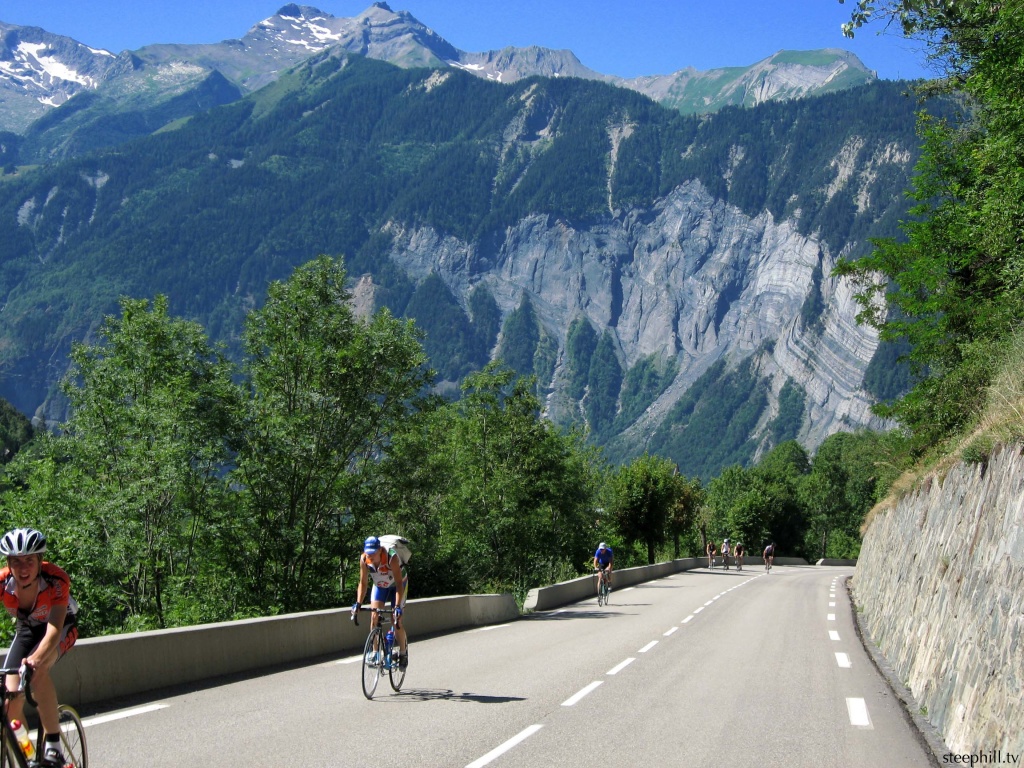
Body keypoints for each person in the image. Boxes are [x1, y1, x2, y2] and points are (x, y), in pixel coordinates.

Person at [1, 528, 79, 768]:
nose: (23, 569)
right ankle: (27, 753)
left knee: (38, 670)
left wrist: (35, 659)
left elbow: (54, 629)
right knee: (9, 701)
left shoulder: (56, 579)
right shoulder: (3, 583)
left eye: (29, 561)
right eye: (16, 562)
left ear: (39, 561)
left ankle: (54, 746)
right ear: (8, 563)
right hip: (26, 630)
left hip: (60, 627)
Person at [351, 536, 408, 669]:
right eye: (368, 552)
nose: (370, 556)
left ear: (380, 550)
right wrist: (358, 603)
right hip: (380, 585)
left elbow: (399, 584)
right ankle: (375, 652)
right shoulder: (364, 559)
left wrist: (398, 607)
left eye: (373, 553)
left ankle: (403, 653)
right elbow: (363, 583)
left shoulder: (391, 557)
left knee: (396, 620)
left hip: (398, 584)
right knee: (374, 616)